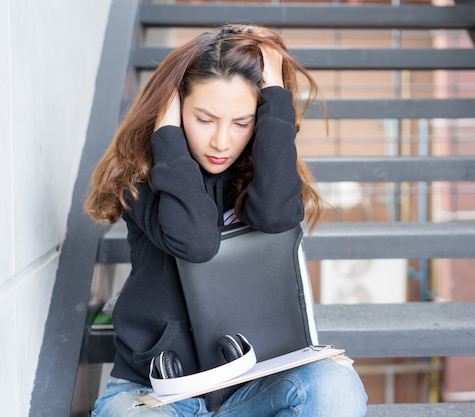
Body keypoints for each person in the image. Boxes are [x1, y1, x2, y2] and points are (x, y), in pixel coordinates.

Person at [84, 24, 367, 417]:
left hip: (250, 388)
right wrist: (166, 136)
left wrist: (276, 99)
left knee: (334, 383)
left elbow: (275, 216)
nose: (221, 142)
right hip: (154, 394)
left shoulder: (261, 173)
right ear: (174, 107)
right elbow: (196, 242)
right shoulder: (144, 175)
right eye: (205, 119)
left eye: (241, 123)